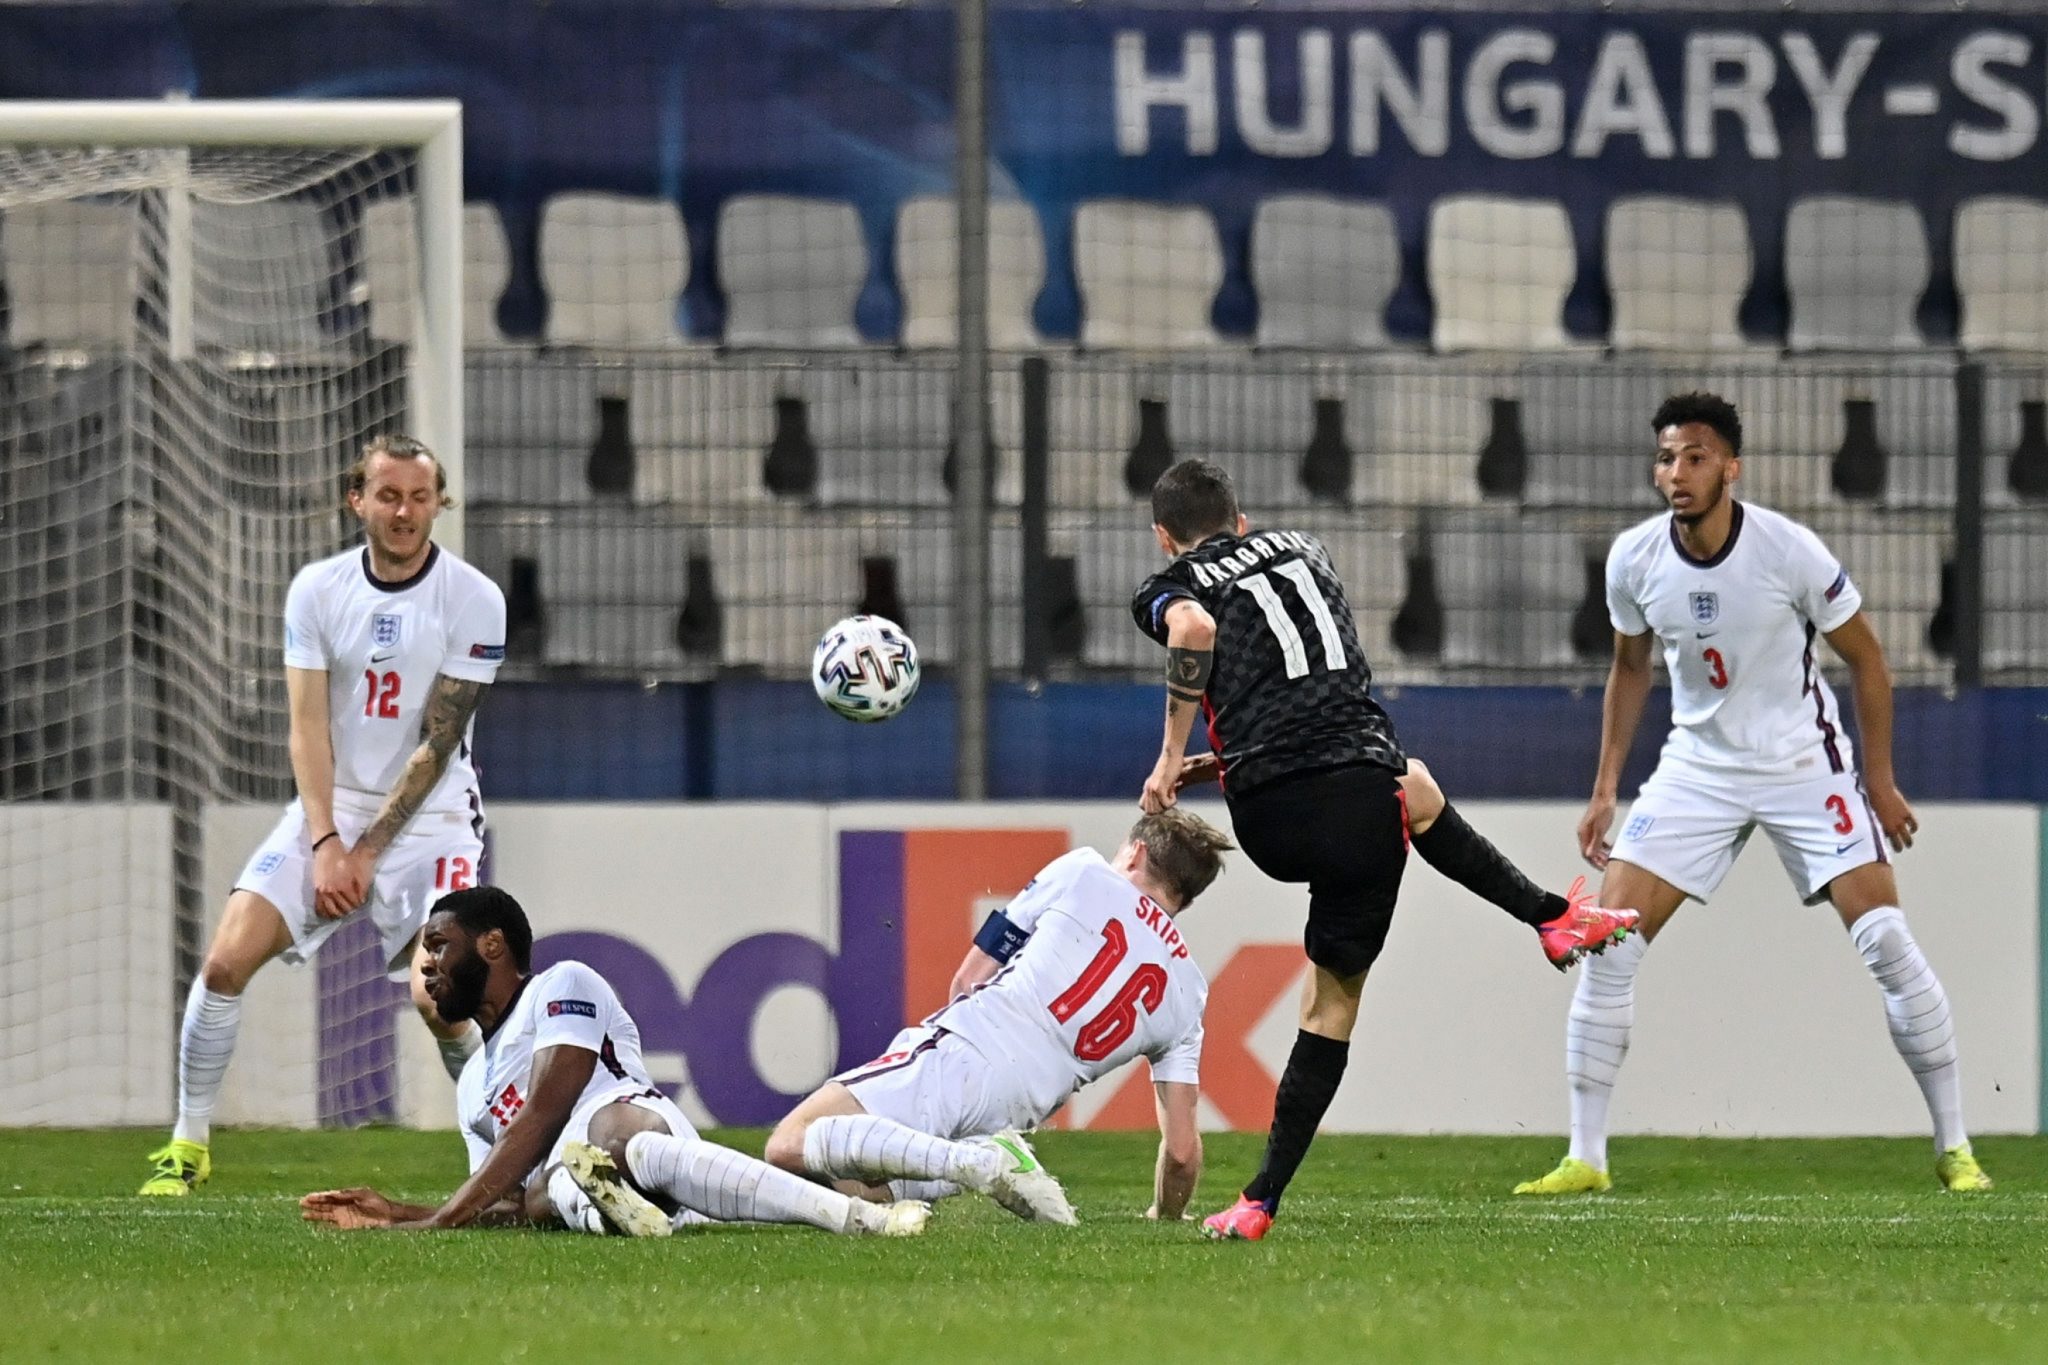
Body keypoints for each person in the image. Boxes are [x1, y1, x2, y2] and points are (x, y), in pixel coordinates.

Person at [1128, 459, 1639, 1242]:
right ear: (1241, 518)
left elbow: (1196, 630)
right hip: (1369, 796)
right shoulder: (1306, 546)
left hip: (1274, 815)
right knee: (1405, 815)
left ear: (1166, 536)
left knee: (1409, 802)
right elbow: (1302, 680)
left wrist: (1172, 756)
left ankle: (1259, 1203)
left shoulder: (1173, 580)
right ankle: (1549, 917)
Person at [1514, 391, 1991, 1196]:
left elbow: (1869, 661)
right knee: (1609, 943)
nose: (1677, 472)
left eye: (1695, 457)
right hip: (1698, 766)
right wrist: (1604, 789)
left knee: (1885, 941)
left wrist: (1877, 779)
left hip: (1803, 760)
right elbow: (1630, 668)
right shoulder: (1633, 558)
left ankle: (1956, 1146)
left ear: (1731, 467)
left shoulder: (1787, 550)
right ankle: (1586, 1157)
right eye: (1667, 457)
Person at [143, 435, 507, 1196]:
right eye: (388, 495)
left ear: (440, 502)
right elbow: (306, 727)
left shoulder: (475, 598)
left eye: (418, 496)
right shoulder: (316, 588)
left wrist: (365, 851)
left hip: (433, 822)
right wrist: (326, 840)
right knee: (223, 961)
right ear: (358, 500)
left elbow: (438, 745)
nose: (404, 511)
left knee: (442, 997)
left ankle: (499, 1158)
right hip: (331, 811)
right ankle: (187, 1144)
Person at [300, 886, 928, 1238]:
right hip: (572, 1196)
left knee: (605, 1137)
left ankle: (856, 1218)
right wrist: (399, 1214)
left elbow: (545, 1114)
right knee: (548, 1191)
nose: (428, 966)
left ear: (492, 945)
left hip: (640, 1133)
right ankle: (622, 1213)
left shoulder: (562, 984)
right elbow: (505, 1202)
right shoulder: (471, 1092)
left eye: (438, 947)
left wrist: (434, 1224)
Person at [763, 808, 1231, 1226]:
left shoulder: (1084, 871)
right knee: (845, 1188)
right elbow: (1182, 1152)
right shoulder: (1189, 992)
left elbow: (969, 978)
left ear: (1136, 853)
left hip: (965, 1053)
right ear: (1184, 901)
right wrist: (1164, 1215)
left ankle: (978, 1160)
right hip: (1020, 1108)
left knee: (787, 1145)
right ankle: (968, 1161)